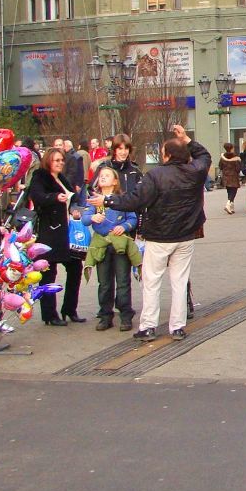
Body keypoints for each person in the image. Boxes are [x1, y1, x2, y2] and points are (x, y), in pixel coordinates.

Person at [91, 125, 211, 342]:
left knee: (152, 281)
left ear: (166, 155)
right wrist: (186, 139)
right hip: (185, 236)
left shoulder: (155, 175)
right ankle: (177, 326)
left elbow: (134, 201)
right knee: (179, 281)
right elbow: (204, 155)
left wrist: (107, 200)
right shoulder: (195, 171)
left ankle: (148, 326)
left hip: (159, 236)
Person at [27, 147, 85, 325]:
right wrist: (54, 197)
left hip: (66, 232)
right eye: (56, 160)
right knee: (48, 273)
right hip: (49, 231)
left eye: (61, 160)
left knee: (75, 268)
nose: (60, 163)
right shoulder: (40, 176)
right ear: (48, 161)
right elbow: (37, 197)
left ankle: (69, 309)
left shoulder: (61, 179)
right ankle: (49, 315)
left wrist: (74, 209)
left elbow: (72, 199)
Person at [82, 166, 138, 332]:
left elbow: (133, 218)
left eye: (107, 176)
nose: (103, 178)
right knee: (104, 282)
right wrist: (92, 216)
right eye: (101, 176)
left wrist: (124, 226)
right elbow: (85, 219)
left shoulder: (121, 199)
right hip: (101, 245)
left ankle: (126, 315)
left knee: (122, 281)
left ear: (115, 181)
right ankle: (105, 315)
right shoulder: (94, 200)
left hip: (120, 244)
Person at [219, 142, 243, 215]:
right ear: (232, 148)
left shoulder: (222, 157)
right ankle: (228, 204)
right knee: (233, 191)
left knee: (229, 191)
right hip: (233, 176)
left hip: (226, 176)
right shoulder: (235, 157)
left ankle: (231, 207)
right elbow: (238, 168)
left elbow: (220, 166)